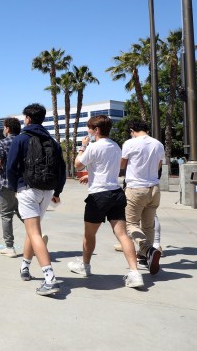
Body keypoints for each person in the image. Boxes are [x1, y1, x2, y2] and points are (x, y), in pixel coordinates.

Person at [68, 115, 144, 288]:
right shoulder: (116, 146)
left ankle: (85, 266)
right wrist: (91, 175)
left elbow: (77, 165)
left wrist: (83, 146)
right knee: (123, 234)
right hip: (116, 193)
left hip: (99, 196)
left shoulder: (94, 146)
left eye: (90, 128)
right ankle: (135, 272)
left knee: (89, 234)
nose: (88, 131)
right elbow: (113, 169)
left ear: (96, 130)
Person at [6, 103, 66, 296]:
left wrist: (16, 188)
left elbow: (10, 167)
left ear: (28, 119)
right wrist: (57, 192)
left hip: (28, 189)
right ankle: (25, 267)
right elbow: (62, 170)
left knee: (34, 233)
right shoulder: (52, 141)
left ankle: (50, 279)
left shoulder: (21, 139)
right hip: (47, 191)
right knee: (33, 230)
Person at [121, 119, 164, 275]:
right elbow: (159, 165)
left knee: (130, 224)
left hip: (136, 188)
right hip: (154, 189)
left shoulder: (130, 144)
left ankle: (147, 249)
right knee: (148, 225)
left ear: (132, 130)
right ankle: (145, 256)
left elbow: (122, 164)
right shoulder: (158, 144)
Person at [0, 117, 23, 258]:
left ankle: (9, 247)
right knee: (22, 211)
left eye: (4, 127)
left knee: (6, 215)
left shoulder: (3, 142)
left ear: (8, 128)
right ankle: (37, 237)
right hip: (23, 183)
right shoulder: (25, 141)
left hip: (6, 183)